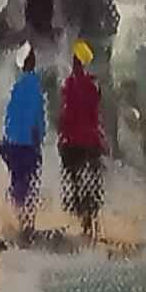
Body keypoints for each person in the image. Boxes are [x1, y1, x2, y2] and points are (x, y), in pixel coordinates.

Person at [60, 43, 109, 242]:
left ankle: (81, 214)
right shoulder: (92, 85)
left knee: (73, 178)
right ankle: (92, 216)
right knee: (94, 178)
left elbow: (66, 114)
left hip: (73, 141)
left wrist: (62, 135)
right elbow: (96, 113)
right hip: (91, 140)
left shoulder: (69, 85)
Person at [1, 45, 49, 239]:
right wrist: (41, 136)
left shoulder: (17, 87)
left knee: (17, 182)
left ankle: (19, 220)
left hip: (14, 143)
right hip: (29, 144)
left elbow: (9, 118)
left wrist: (7, 139)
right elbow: (38, 117)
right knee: (31, 183)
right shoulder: (35, 87)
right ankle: (28, 224)